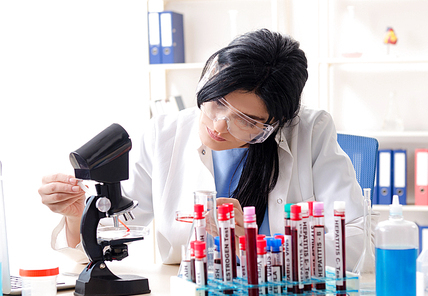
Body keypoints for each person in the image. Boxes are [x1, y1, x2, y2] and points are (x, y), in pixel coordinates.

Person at [39, 28, 366, 269]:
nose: (220, 124)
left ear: (275, 123)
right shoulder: (164, 134)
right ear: (209, 77)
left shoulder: (311, 132)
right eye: (218, 101)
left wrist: (261, 248)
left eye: (246, 120)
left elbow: (359, 240)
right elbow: (120, 227)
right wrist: (78, 216)